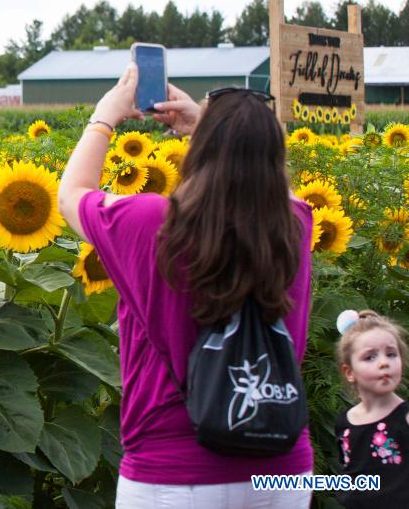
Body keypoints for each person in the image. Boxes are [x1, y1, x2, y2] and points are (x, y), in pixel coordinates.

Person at [58, 66, 314, 507]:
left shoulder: (148, 222)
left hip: (171, 471)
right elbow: (271, 190)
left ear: (202, 152)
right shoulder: (294, 223)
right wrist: (215, 129)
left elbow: (72, 194)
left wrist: (104, 116)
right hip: (282, 469)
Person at [334, 309, 408, 508]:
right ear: (349, 372)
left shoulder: (405, 418)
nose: (384, 363)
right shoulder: (344, 423)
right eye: (370, 357)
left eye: (391, 354)